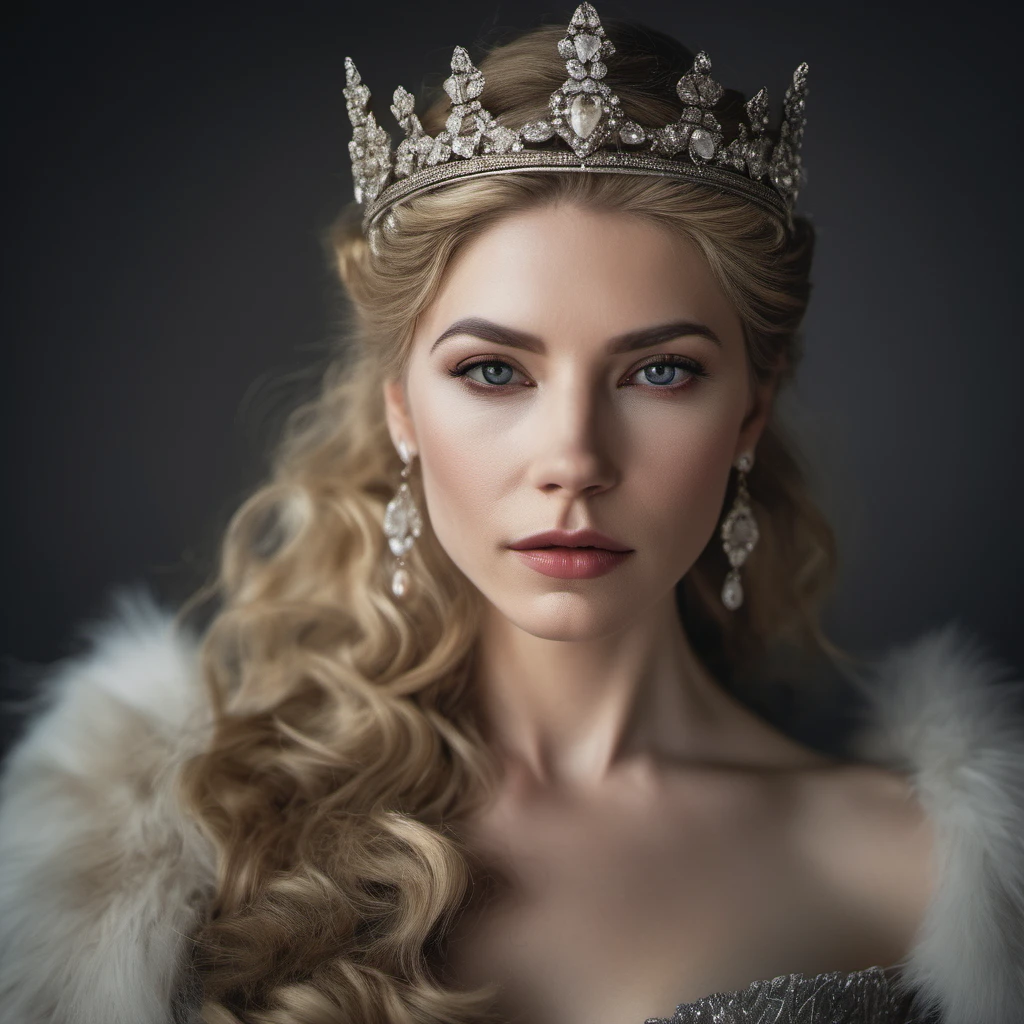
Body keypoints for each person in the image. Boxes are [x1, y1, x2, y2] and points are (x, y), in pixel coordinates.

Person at [0, 5, 1021, 1023]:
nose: (572, 459)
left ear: (750, 410)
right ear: (401, 407)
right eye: (494, 370)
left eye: (660, 371)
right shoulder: (173, 845)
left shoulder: (933, 880)